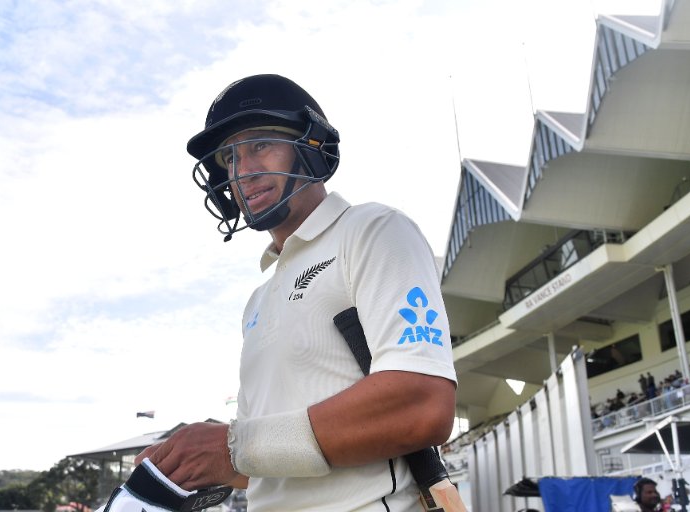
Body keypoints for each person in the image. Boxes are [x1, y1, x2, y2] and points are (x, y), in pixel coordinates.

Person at [136, 74, 458, 511]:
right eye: (229, 157)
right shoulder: (258, 300)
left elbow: (423, 403)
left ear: (311, 146)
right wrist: (186, 462)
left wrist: (233, 447)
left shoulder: (372, 230)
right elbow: (269, 457)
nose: (242, 171)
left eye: (260, 145)